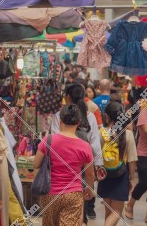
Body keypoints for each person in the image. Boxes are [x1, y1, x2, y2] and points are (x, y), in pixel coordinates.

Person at [35, 105, 95, 226]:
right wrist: (90, 189)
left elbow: (36, 164)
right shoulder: (84, 146)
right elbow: (90, 173)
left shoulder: (48, 140)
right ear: (78, 123)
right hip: (73, 195)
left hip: (49, 194)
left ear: (60, 121)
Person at [51, 84, 103, 223]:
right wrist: (98, 165)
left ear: (68, 97)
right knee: (80, 197)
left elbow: (54, 139)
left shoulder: (59, 116)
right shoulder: (89, 116)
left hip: (63, 164)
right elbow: (95, 143)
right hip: (84, 164)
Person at [98, 102, 137, 226]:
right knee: (116, 212)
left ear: (107, 116)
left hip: (104, 175)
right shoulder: (128, 134)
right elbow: (131, 159)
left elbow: (97, 156)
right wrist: (132, 179)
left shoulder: (102, 132)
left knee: (108, 212)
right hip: (121, 175)